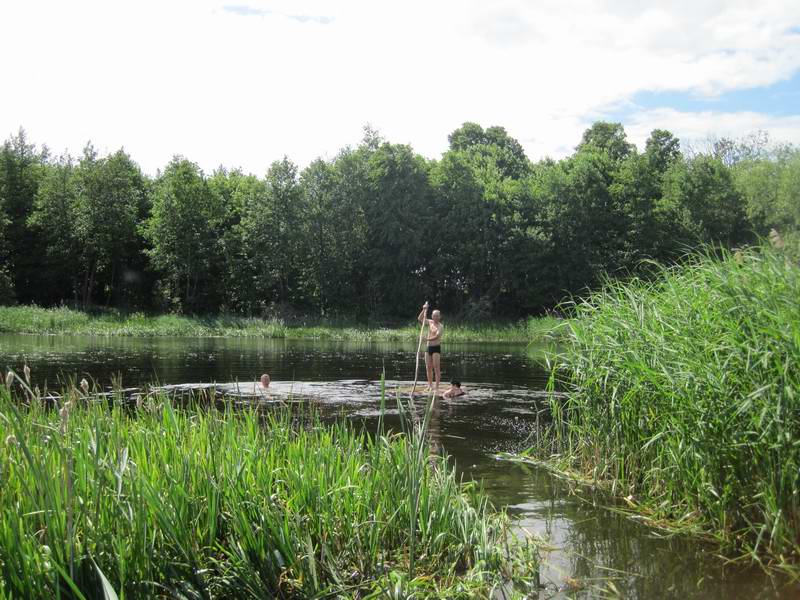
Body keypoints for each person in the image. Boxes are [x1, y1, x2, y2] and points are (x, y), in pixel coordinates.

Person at [417, 301, 443, 394]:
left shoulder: (440, 326)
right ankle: (430, 385)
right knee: (428, 367)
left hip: (436, 348)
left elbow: (437, 336)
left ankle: (436, 387)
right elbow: (420, 319)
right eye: (434, 315)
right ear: (432, 316)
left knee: (436, 367)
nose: (435, 317)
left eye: (437, 316)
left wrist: (426, 339)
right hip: (428, 349)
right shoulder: (430, 322)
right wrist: (424, 309)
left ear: (440, 317)